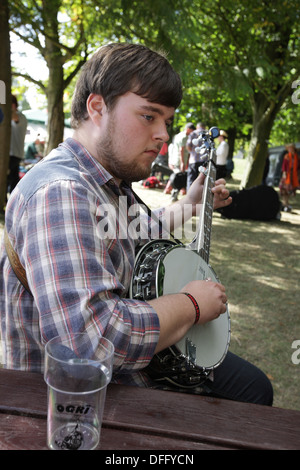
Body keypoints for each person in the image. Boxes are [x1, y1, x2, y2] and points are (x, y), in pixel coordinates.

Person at [0, 43, 273, 406]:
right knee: (251, 399)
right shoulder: (62, 193)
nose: (163, 134)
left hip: (128, 373)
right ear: (97, 107)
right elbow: (90, 345)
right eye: (149, 116)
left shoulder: (103, 181)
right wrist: (190, 304)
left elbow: (134, 231)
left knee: (254, 388)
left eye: (167, 122)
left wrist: (190, 204)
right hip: (83, 403)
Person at [164, 122, 195, 198]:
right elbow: (181, 150)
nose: (193, 132)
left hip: (176, 159)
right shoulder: (184, 137)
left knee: (176, 175)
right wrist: (183, 163)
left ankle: (168, 189)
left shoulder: (179, 135)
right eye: (192, 130)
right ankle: (173, 195)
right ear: (188, 129)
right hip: (179, 161)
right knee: (179, 177)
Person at [7, 95, 28, 194]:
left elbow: (13, 116)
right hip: (12, 154)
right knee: (14, 181)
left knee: (7, 178)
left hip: (13, 154)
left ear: (13, 105)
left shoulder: (20, 116)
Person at [186, 122, 207, 190]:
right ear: (204, 127)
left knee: (191, 179)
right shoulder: (208, 134)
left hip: (193, 160)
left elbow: (188, 146)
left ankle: (189, 195)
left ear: (197, 127)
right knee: (204, 179)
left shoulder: (193, 133)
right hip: (205, 160)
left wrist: (192, 152)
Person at [279, 143, 300, 211]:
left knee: (290, 191)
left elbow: (298, 167)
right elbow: (284, 166)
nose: (290, 149)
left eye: (291, 148)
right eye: (289, 148)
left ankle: (287, 203)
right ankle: (285, 203)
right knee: (284, 190)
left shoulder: (297, 157)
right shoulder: (287, 156)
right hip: (287, 175)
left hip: (293, 176)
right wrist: (284, 173)